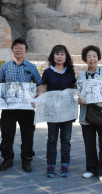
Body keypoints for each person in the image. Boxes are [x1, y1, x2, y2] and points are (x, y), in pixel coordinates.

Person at [0, 38, 43, 172]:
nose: (18, 50)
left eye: (20, 48)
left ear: (26, 51)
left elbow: (39, 83)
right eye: (15, 48)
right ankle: (7, 158)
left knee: (28, 134)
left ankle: (26, 159)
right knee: (6, 133)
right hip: (9, 107)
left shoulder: (31, 67)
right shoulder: (5, 66)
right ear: (12, 50)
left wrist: (38, 95)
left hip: (26, 108)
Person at [33, 45, 77, 178]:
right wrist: (37, 100)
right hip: (52, 112)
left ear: (66, 57)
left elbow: (73, 89)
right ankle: (50, 165)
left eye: (62, 54)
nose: (59, 57)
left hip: (67, 112)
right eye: (57, 54)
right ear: (53, 56)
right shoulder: (47, 72)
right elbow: (43, 91)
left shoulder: (70, 71)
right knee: (52, 138)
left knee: (66, 139)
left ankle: (65, 165)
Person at [77, 45, 102, 183]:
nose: (92, 59)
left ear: (98, 58)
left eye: (94, 56)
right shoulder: (81, 76)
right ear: (85, 59)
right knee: (89, 142)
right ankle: (90, 169)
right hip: (87, 113)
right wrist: (78, 99)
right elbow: (77, 93)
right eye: (89, 57)